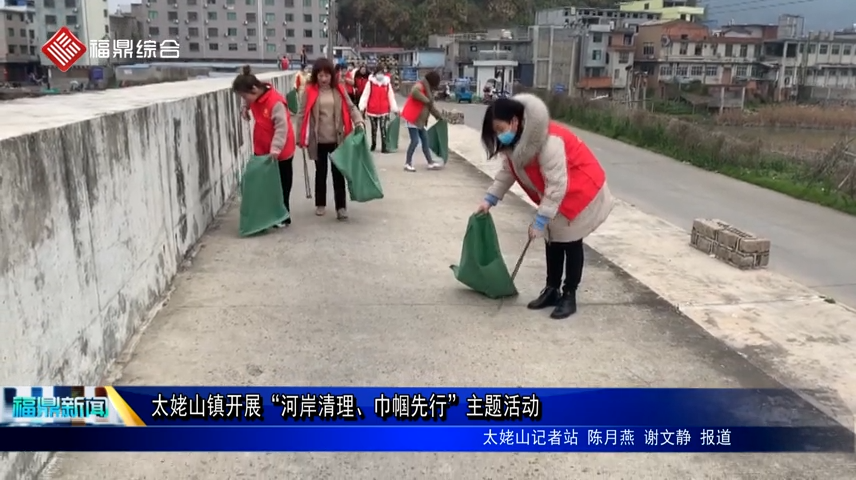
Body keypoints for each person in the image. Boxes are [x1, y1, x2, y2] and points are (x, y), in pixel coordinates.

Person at [475, 95, 614, 319]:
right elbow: (507, 173)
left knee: (570, 241)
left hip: (580, 191)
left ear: (514, 121)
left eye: (501, 129)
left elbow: (557, 185)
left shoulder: (548, 141)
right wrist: (489, 200)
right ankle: (551, 289)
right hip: (556, 194)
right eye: (496, 132)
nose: (500, 135)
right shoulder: (513, 144)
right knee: (553, 239)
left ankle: (569, 295)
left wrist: (540, 221)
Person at [297, 58, 365, 220]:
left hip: (337, 139)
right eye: (320, 75)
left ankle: (341, 207)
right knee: (321, 173)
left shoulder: (339, 90)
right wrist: (300, 136)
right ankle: (320, 204)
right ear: (316, 76)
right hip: (318, 140)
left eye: (326, 75)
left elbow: (351, 107)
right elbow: (301, 114)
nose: (323, 79)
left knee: (338, 174)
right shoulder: (310, 91)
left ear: (331, 75)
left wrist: (359, 121)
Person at [233, 65, 296, 228]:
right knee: (265, 184)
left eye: (245, 97)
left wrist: (275, 149)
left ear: (254, 89)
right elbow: (250, 103)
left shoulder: (275, 102)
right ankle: (267, 215)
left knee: (282, 185)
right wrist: (245, 109)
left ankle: (283, 216)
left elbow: (282, 128)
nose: (245, 100)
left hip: (281, 151)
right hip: (262, 148)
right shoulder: (255, 97)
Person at [399, 71, 445, 172]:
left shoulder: (428, 90)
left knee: (425, 141)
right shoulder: (420, 85)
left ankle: (430, 162)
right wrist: (427, 100)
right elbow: (414, 92)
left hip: (420, 120)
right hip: (412, 117)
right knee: (415, 141)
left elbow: (430, 107)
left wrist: (439, 116)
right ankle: (408, 163)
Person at [358, 66, 399, 153]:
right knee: (374, 129)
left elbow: (391, 97)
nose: (380, 75)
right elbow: (365, 95)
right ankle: (373, 144)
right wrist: (362, 107)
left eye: (381, 73)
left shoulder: (387, 84)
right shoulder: (370, 83)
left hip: (384, 110)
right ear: (375, 74)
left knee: (383, 128)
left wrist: (395, 109)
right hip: (372, 110)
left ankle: (384, 147)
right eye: (378, 73)